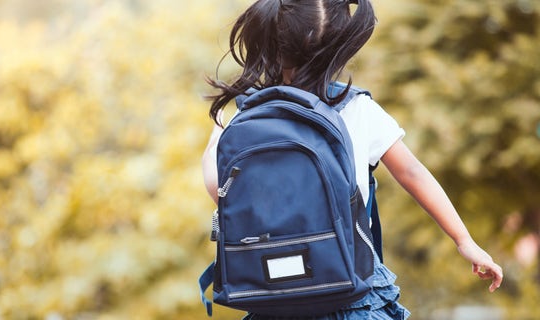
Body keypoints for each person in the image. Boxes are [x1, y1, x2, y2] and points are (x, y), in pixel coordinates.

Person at [201, 0, 504, 319]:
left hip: (270, 294)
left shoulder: (244, 116)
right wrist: (464, 240)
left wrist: (215, 142)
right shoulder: (356, 108)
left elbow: (219, 190)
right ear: (339, 46)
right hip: (351, 293)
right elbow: (413, 174)